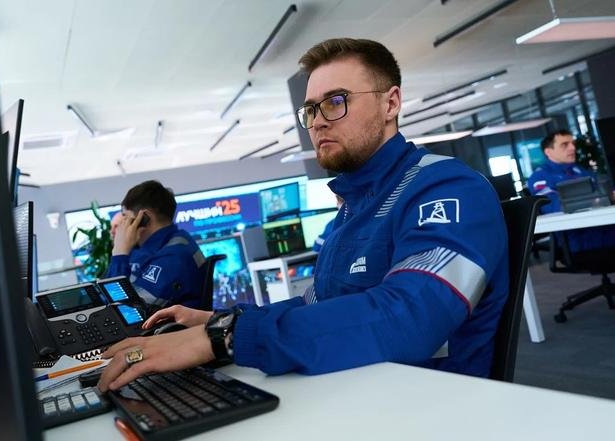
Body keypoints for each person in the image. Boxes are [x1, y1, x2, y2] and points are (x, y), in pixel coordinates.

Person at [98, 38, 508, 393]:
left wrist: (223, 339)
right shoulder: (351, 212)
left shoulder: (445, 187)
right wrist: (219, 321)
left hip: (428, 405)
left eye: (336, 102)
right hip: (357, 389)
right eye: (311, 110)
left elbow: (409, 317)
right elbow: (316, 306)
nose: (318, 122)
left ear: (391, 102)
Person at [106, 180, 206, 308]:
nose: (122, 224)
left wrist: (119, 255)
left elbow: (127, 310)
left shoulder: (174, 256)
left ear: (144, 218)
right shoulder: (147, 248)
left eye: (125, 217)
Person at [527, 129, 615, 252]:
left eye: (573, 143)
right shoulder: (540, 176)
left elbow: (604, 190)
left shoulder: (579, 170)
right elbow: (552, 205)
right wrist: (595, 200)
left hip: (603, 227)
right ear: (548, 152)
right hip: (578, 238)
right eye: (565, 145)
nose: (572, 148)